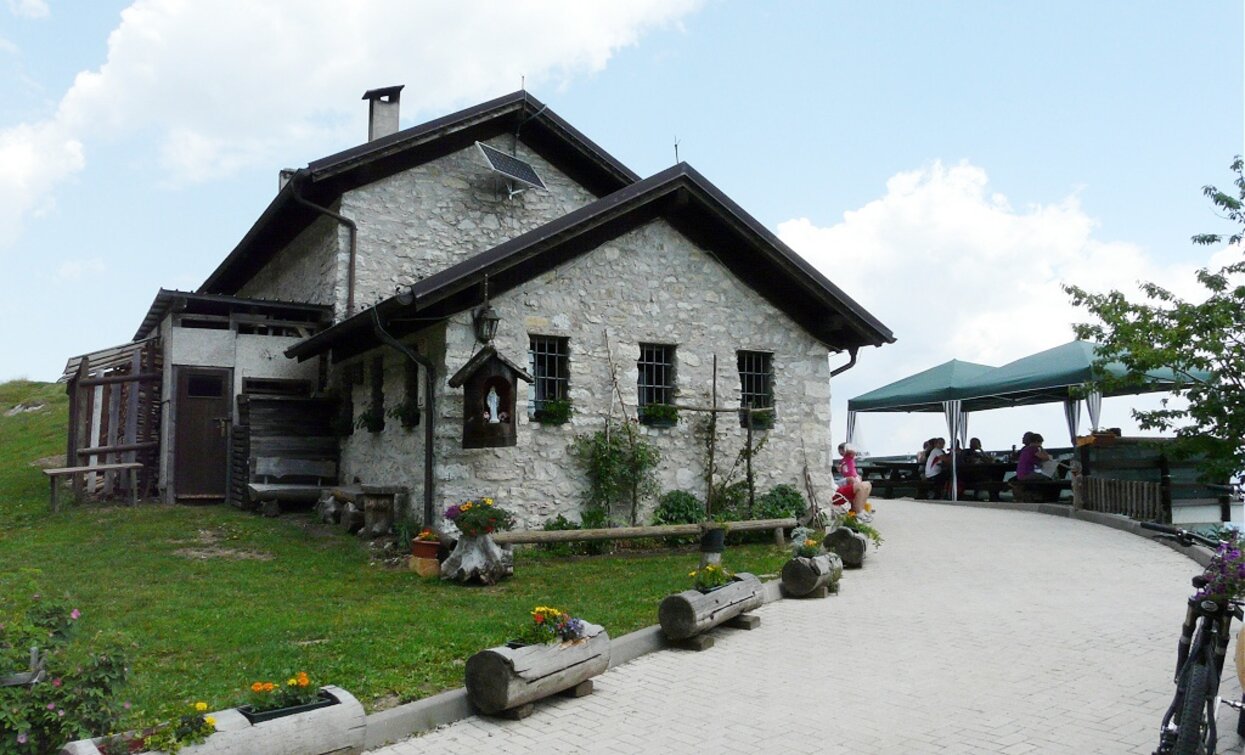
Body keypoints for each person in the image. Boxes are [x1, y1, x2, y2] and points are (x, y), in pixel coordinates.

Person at [836, 443, 874, 519]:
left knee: (860, 490)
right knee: (853, 494)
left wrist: (847, 449)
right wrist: (839, 469)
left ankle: (863, 507)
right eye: (839, 451)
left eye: (842, 451)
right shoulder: (842, 461)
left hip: (854, 477)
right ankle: (857, 509)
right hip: (848, 478)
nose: (841, 453)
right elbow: (842, 470)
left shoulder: (849, 456)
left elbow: (853, 452)